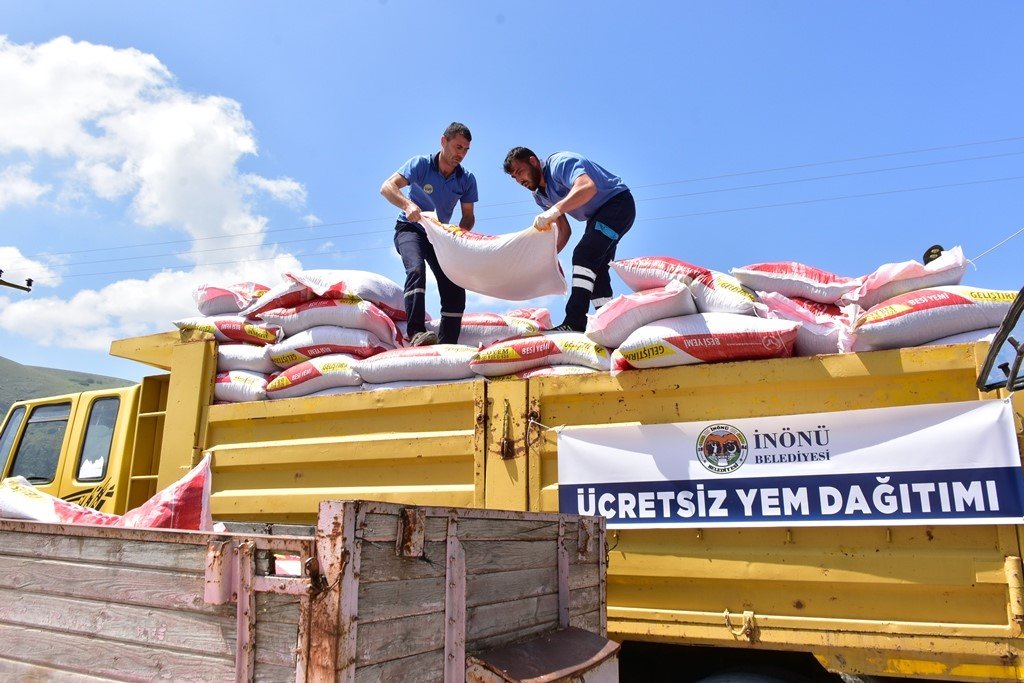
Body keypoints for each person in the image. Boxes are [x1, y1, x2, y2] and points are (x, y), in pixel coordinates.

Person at [503, 147, 635, 332]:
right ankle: (610, 324)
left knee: (584, 254)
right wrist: (549, 259)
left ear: (533, 161)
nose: (519, 180)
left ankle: (574, 321)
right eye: (514, 178)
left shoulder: (560, 163)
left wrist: (555, 210)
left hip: (618, 204)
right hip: (596, 217)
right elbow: (564, 231)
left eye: (520, 172)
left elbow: (587, 187)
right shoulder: (540, 196)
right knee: (595, 272)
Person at [380, 122, 478, 346]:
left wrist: (460, 232)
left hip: (438, 235)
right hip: (409, 228)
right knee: (416, 269)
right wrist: (407, 205)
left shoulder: (467, 178)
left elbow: (469, 216)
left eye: (466, 150)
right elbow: (387, 187)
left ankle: (447, 343)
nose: (461, 154)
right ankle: (416, 333)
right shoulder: (421, 164)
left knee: (454, 282)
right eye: (457, 147)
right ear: (443, 141)